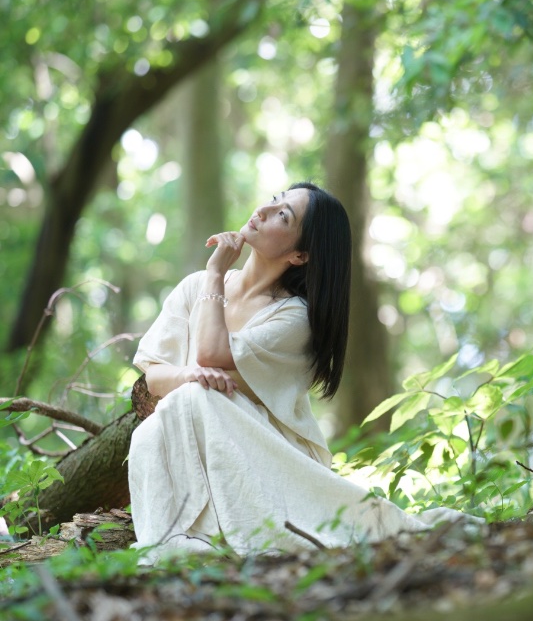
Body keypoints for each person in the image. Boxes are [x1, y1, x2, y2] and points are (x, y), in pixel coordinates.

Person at [128, 182, 475, 564]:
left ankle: (223, 539)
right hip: (193, 429)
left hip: (264, 459)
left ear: (300, 255)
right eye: (274, 200)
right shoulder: (192, 288)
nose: (263, 211)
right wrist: (191, 377)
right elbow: (154, 378)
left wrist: (214, 274)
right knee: (151, 431)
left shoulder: (293, 318)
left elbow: (211, 352)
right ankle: (178, 543)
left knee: (196, 399)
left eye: (282, 215)